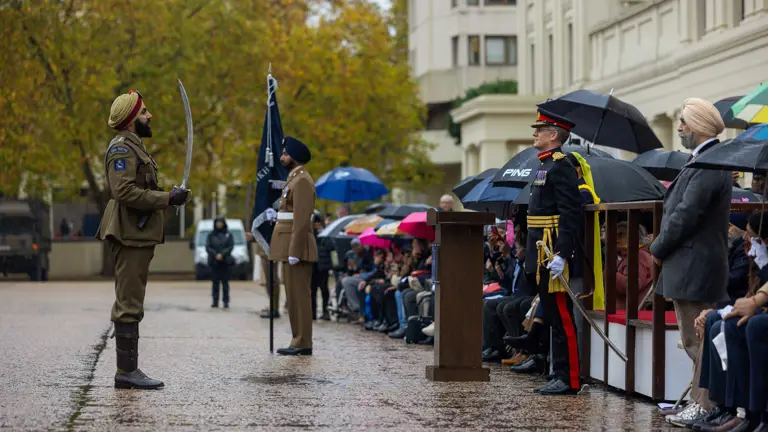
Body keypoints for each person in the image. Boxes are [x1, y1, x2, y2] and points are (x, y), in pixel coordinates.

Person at [96, 89, 189, 389]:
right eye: (145, 112)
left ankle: (129, 370)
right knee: (129, 302)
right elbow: (123, 192)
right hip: (130, 233)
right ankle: (126, 372)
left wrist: (170, 198)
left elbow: (141, 189)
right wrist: (167, 198)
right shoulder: (123, 149)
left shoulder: (135, 148)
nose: (150, 116)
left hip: (138, 232)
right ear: (132, 119)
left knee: (132, 299)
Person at [649, 97, 730, 426]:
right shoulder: (704, 159)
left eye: (683, 122)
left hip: (695, 265)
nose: (679, 128)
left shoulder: (709, 162)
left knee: (697, 341)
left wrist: (656, 247)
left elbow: (685, 215)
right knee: (693, 339)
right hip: (689, 264)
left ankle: (707, 403)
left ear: (697, 127)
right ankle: (704, 402)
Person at [523, 107, 583, 395]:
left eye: (539, 129)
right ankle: (555, 370)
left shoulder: (561, 165)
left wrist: (562, 253)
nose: (534, 134)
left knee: (562, 317)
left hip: (553, 249)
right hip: (541, 249)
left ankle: (569, 377)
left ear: (553, 135)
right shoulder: (545, 165)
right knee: (551, 314)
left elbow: (571, 214)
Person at [268, 136, 317, 356]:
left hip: (296, 247)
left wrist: (295, 250)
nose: (282, 157)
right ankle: (297, 339)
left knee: (299, 297)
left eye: (286, 153)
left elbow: (302, 218)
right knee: (293, 296)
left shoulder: (302, 181)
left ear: (294, 157)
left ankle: (303, 341)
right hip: (288, 246)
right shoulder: (294, 179)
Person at [206, 215, 234, 309]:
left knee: (225, 283)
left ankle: (226, 301)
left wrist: (222, 254)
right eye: (217, 222)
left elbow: (230, 246)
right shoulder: (211, 235)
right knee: (215, 283)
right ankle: (215, 301)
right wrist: (215, 254)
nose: (219, 224)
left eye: (220, 222)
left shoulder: (228, 234)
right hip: (214, 262)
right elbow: (208, 247)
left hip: (225, 262)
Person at [312, 214, 332, 321]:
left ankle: (325, 311)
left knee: (324, 289)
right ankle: (312, 312)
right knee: (312, 290)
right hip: (313, 266)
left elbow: (331, 247)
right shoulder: (310, 234)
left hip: (323, 266)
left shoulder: (325, 234)